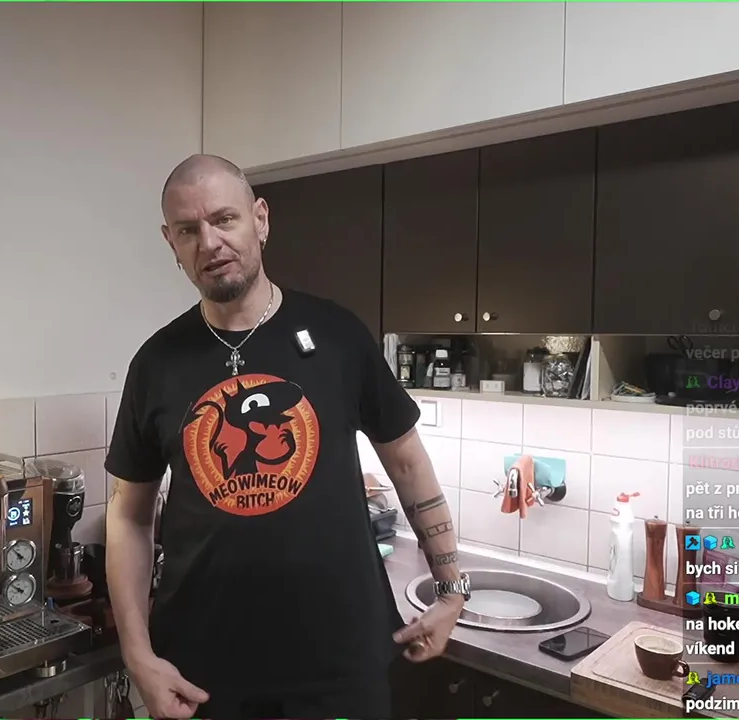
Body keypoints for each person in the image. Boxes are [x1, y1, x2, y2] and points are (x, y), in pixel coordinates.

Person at [104, 154, 467, 719]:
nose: (210, 242)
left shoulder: (338, 336)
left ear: (261, 219)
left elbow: (407, 463)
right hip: (201, 675)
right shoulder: (156, 364)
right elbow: (129, 516)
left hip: (340, 666)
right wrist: (136, 653)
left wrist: (452, 590)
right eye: (188, 230)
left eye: (225, 219)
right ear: (170, 242)